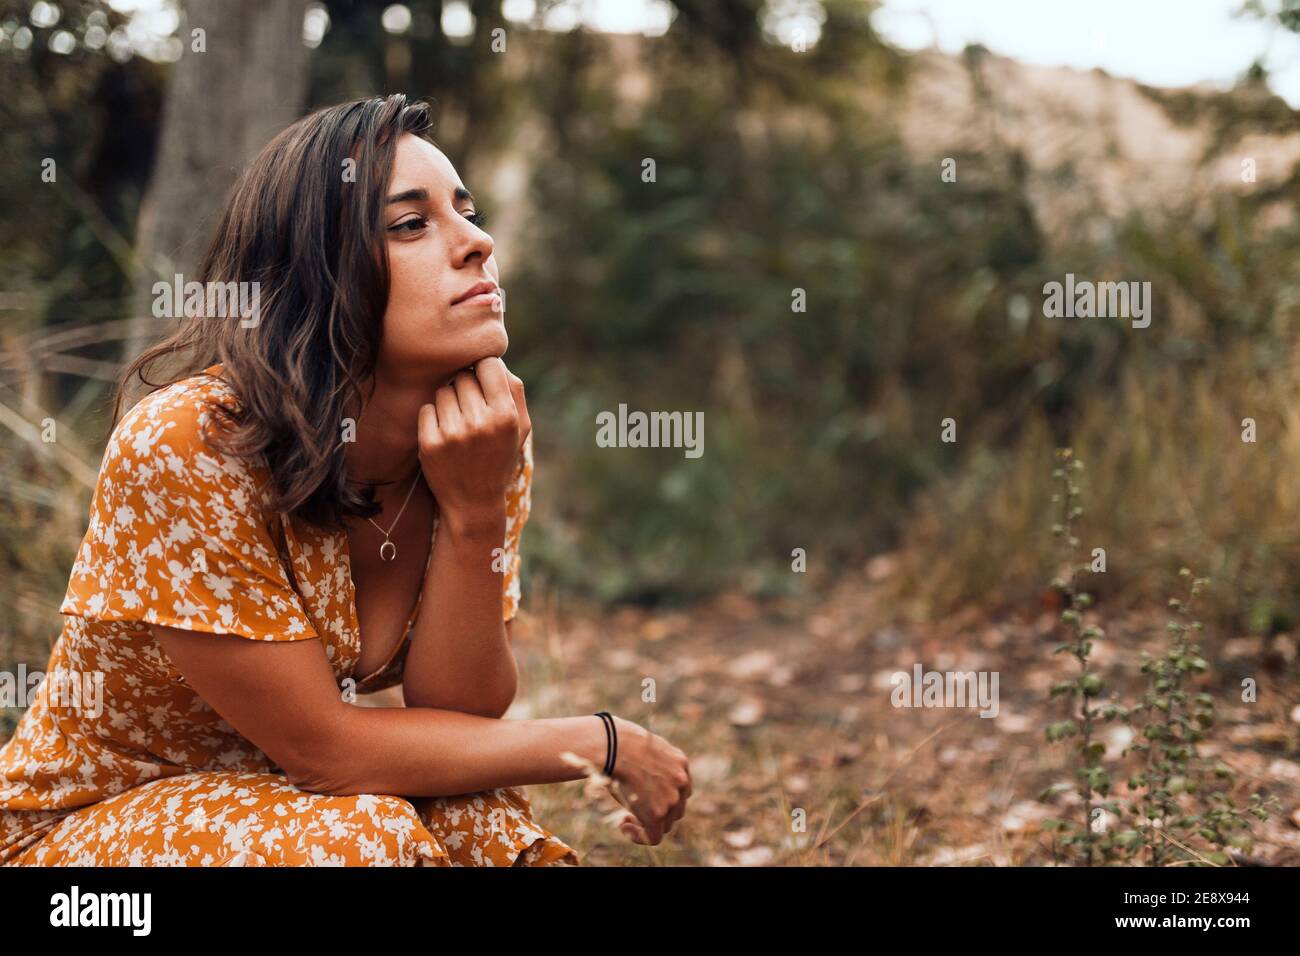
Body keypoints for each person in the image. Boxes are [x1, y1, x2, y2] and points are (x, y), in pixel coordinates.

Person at [0, 94, 691, 866]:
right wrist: (599, 742)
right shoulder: (193, 445)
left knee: (483, 820)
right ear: (313, 274)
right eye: (410, 224)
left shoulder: (479, 438)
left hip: (296, 805)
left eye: (467, 211)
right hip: (87, 837)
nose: (478, 242)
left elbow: (457, 711)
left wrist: (473, 511)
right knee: (366, 839)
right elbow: (327, 752)